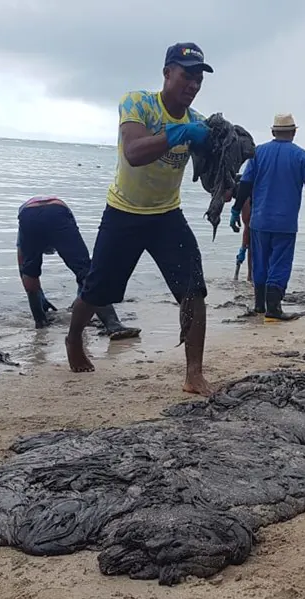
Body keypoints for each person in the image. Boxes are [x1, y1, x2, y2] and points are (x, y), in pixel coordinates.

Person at [65, 42, 214, 395]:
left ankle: (194, 373)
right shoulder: (137, 103)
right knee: (98, 290)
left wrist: (225, 182)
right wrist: (175, 134)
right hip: (123, 213)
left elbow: (208, 177)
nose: (192, 85)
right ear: (166, 73)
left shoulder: (199, 122)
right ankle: (74, 338)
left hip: (167, 216)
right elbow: (133, 153)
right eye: (185, 76)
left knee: (194, 290)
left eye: (198, 79)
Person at [230, 113, 305, 321]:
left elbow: (245, 185)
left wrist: (235, 210)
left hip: (259, 221)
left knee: (260, 263)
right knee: (279, 264)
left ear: (272, 132)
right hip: (285, 223)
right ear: (294, 133)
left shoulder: (258, 153)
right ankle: (274, 309)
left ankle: (259, 307)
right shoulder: (301, 156)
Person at [16, 195, 141, 338]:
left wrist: (37, 298)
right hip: (57, 210)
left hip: (29, 215)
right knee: (85, 271)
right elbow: (84, 275)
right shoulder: (60, 221)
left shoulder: (24, 233)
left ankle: (40, 322)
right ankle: (113, 324)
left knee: (30, 272)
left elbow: (23, 268)